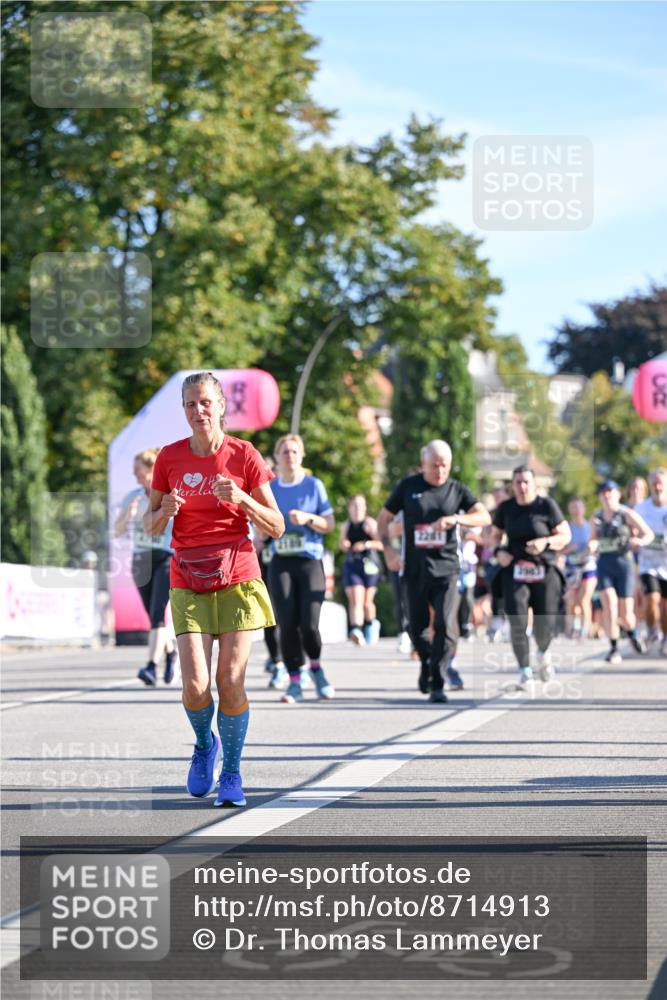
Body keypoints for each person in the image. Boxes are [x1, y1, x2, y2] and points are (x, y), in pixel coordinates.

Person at [143, 372, 284, 808]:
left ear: (221, 406)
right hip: (187, 576)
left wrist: (242, 498)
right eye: (189, 405)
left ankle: (233, 773)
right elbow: (149, 525)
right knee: (196, 684)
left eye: (205, 402)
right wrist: (164, 510)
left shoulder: (245, 455)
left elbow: (276, 525)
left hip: (238, 574)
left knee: (231, 679)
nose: (198, 411)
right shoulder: (168, 458)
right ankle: (205, 743)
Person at [377, 440, 491, 703]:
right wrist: (389, 551)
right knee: (416, 628)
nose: (440, 471)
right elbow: (383, 518)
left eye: (445, 465)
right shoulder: (409, 487)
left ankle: (438, 681)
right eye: (434, 465)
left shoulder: (456, 490)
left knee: (444, 625)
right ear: (423, 463)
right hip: (414, 569)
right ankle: (427, 664)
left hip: (447, 569)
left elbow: (484, 517)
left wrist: (457, 519)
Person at [266, 434, 336, 704]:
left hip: (309, 560)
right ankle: (295, 679)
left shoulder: (313, 485)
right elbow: (261, 522)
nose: (290, 456)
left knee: (309, 623)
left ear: (301, 456)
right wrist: (263, 532)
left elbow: (329, 524)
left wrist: (308, 518)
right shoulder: (270, 488)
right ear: (277, 457)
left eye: (294, 452)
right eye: (285, 452)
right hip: (280, 560)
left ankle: (316, 668)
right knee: (286, 622)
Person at [490, 466, 571, 688]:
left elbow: (565, 535)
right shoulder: (506, 508)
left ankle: (543, 653)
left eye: (526, 482)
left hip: (544, 568)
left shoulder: (547, 506)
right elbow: (494, 537)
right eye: (518, 482)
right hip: (515, 570)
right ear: (512, 485)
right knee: (517, 620)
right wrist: (499, 552)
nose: (522, 486)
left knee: (544, 625)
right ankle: (525, 671)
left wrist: (545, 542)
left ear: (534, 484)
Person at [114, 449, 177, 685]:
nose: (134, 474)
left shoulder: (168, 494)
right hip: (141, 560)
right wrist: (127, 517)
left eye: (138, 469)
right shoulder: (133, 497)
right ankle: (171, 653)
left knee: (157, 613)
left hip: (165, 557)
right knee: (153, 617)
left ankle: (150, 666)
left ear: (152, 469)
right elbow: (118, 531)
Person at [589, 480, 653, 663]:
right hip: (604, 564)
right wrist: (591, 546)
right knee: (609, 604)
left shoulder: (626, 514)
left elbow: (647, 534)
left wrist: (639, 542)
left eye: (611, 492)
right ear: (600, 497)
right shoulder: (597, 517)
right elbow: (593, 539)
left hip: (623, 563)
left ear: (618, 494)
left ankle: (632, 632)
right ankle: (614, 647)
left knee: (626, 613)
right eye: (604, 493)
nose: (607, 496)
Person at [340, 494, 383, 645]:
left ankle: (371, 623)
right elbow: (342, 544)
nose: (357, 509)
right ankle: (356, 629)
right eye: (355, 505)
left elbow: (381, 544)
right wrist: (345, 545)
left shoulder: (370, 523)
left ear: (365, 508)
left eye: (360, 505)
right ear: (350, 508)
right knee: (355, 597)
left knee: (366, 601)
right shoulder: (346, 526)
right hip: (353, 564)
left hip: (370, 565)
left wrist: (366, 544)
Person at [635, 469, 667, 653]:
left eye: (661, 482)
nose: (658, 486)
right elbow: (632, 529)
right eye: (654, 482)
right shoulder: (641, 508)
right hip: (648, 563)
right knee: (651, 598)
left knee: (665, 605)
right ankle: (652, 629)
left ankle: (665, 637)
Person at [563, 497, 598, 639]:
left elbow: (597, 545)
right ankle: (573, 627)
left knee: (584, 598)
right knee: (571, 600)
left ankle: (585, 629)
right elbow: (558, 550)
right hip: (571, 568)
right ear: (569, 510)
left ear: (584, 509)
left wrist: (591, 548)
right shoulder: (566, 528)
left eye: (579, 507)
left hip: (588, 567)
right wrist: (569, 549)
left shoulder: (590, 527)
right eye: (573, 507)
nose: (576, 510)